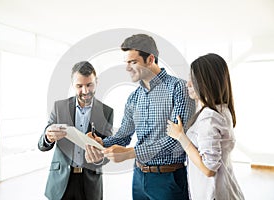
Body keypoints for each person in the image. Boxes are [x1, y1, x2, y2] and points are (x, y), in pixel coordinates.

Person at [85, 34, 195, 200]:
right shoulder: (134, 97)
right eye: (126, 63)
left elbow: (177, 141)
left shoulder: (178, 88)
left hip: (168, 179)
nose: (127, 68)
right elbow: (123, 135)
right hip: (139, 178)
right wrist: (101, 143)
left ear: (150, 59)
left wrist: (130, 153)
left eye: (133, 62)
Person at [167, 53, 245, 200]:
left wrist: (180, 136)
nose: (187, 84)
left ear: (206, 82)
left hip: (214, 194)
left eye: (192, 79)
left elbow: (209, 170)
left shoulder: (208, 117)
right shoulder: (221, 109)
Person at [38, 61, 114, 200]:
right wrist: (48, 137)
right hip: (61, 181)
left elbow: (107, 149)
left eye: (89, 85)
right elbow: (42, 145)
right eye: (79, 86)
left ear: (96, 82)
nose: (85, 91)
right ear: (73, 85)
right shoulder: (59, 107)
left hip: (89, 183)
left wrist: (99, 158)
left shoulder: (106, 112)